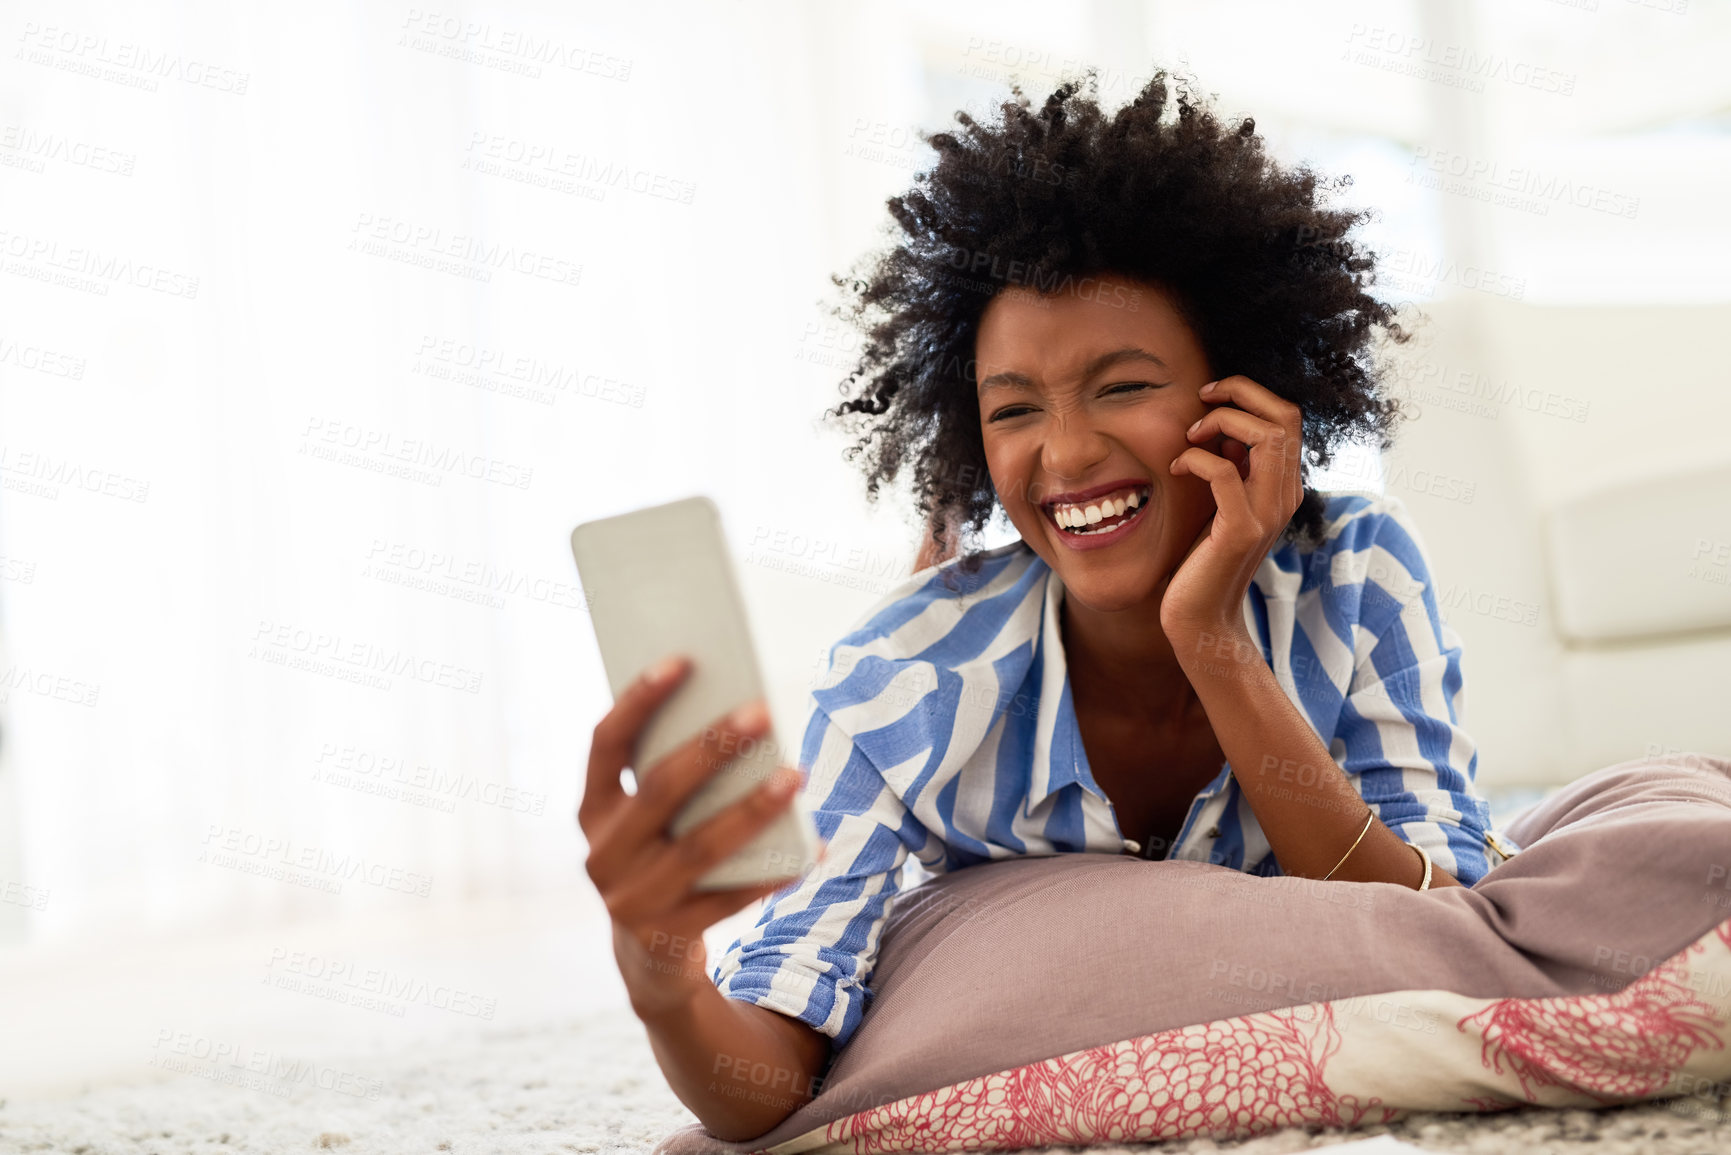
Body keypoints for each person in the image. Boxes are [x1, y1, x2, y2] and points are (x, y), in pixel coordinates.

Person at [577, 69, 1520, 1141]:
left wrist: (1211, 639)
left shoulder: (1355, 570)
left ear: (1241, 391)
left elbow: (1439, 923)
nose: (1065, 455)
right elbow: (769, 1091)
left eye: (1123, 387)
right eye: (1014, 409)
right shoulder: (904, 681)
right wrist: (665, 982)